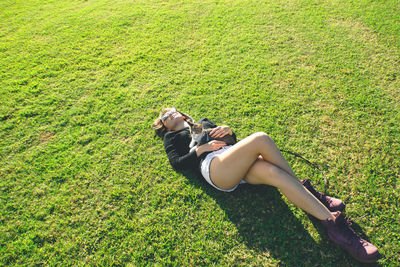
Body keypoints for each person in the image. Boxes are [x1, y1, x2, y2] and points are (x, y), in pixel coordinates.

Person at [152, 107, 380, 263]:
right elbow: (177, 163)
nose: (171, 114)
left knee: (273, 172)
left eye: (173, 111)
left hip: (233, 158)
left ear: (181, 113)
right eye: (166, 116)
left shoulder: (202, 122)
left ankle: (327, 220)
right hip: (214, 167)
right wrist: (199, 150)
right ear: (164, 125)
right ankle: (322, 208)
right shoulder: (171, 138)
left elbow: (234, 142)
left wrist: (230, 132)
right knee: (261, 138)